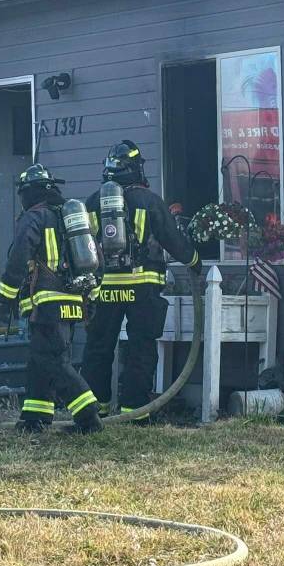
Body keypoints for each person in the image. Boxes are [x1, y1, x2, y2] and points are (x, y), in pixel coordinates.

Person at [82, 141, 202, 420]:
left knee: (99, 347)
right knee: (141, 347)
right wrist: (194, 260)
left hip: (104, 289)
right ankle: (134, 411)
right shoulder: (149, 201)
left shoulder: (93, 202)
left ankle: (96, 408)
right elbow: (172, 239)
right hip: (142, 287)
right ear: (136, 167)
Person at [0, 164, 103, 434]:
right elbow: (96, 259)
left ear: (28, 193)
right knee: (40, 361)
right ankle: (35, 418)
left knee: (54, 362)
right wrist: (91, 298)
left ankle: (89, 418)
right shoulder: (69, 218)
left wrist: (5, 298)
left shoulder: (34, 218)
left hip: (46, 304)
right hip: (73, 301)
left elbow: (17, 259)